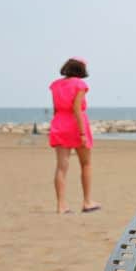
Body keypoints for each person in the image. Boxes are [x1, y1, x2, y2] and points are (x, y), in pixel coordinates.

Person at [49, 58, 100, 214]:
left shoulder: (56, 85)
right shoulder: (80, 84)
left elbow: (56, 109)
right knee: (85, 164)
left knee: (61, 167)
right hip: (76, 125)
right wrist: (83, 133)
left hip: (59, 123)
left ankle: (61, 205)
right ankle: (87, 201)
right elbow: (77, 109)